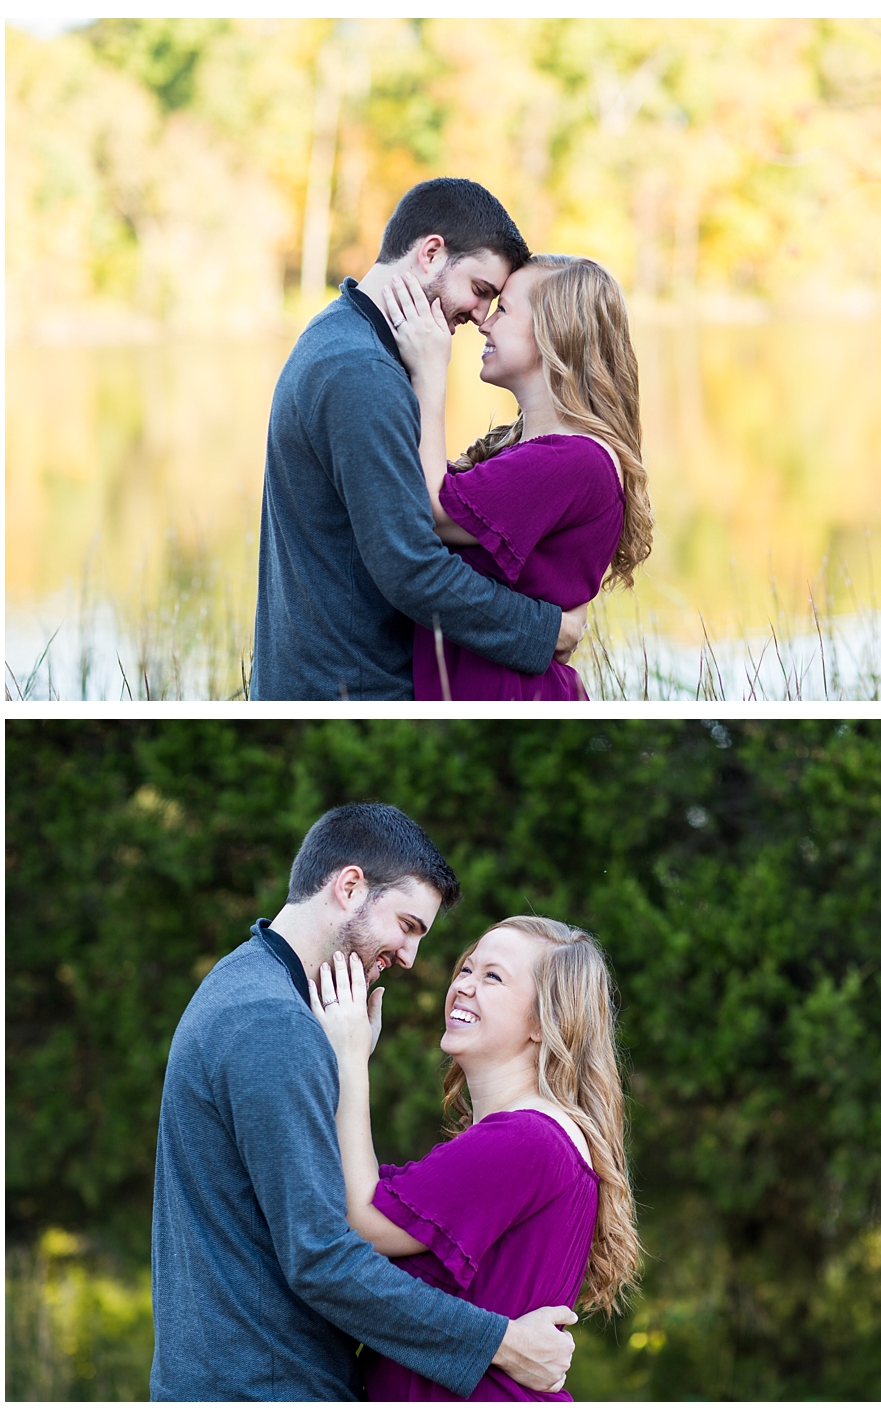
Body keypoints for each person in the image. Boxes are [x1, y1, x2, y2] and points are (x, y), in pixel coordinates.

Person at [150, 804, 577, 1400]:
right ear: (350, 887)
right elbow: (321, 1258)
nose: (409, 957)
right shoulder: (274, 1022)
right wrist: (500, 1343)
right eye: (407, 925)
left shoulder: (241, 984)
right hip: (265, 1389)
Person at [252, 177, 589, 700]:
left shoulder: (340, 335)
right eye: (480, 291)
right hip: (356, 694)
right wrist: (547, 631)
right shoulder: (360, 372)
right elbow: (411, 568)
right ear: (432, 253)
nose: (481, 317)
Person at [308, 916, 640, 1399]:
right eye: (467, 968)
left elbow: (360, 1220)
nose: (464, 986)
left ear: (545, 1022)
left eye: (493, 977)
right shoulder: (519, 1139)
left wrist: (349, 1058)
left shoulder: (527, 1139)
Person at [377, 252, 654, 699]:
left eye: (502, 308)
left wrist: (430, 373)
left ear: (554, 333)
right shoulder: (533, 454)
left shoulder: (572, 461)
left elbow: (429, 510)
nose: (484, 322)